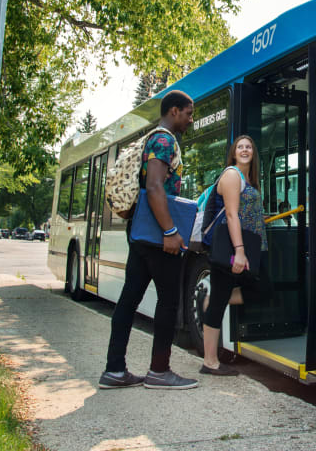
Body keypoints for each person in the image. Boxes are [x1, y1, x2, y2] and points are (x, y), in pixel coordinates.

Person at [99, 90, 198, 390]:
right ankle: (159, 371)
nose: (190, 121)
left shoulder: (152, 138)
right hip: (157, 236)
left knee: (129, 300)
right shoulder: (164, 140)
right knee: (168, 302)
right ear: (173, 111)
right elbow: (155, 187)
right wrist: (170, 231)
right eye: (188, 114)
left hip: (141, 233)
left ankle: (114, 370)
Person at [199, 135, 269, 376]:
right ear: (233, 152)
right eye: (240, 146)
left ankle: (213, 299)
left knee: (261, 288)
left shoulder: (249, 179)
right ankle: (210, 362)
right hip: (231, 247)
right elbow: (231, 215)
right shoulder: (231, 175)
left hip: (248, 247)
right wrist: (239, 251)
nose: (245, 149)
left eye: (249, 146)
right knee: (219, 300)